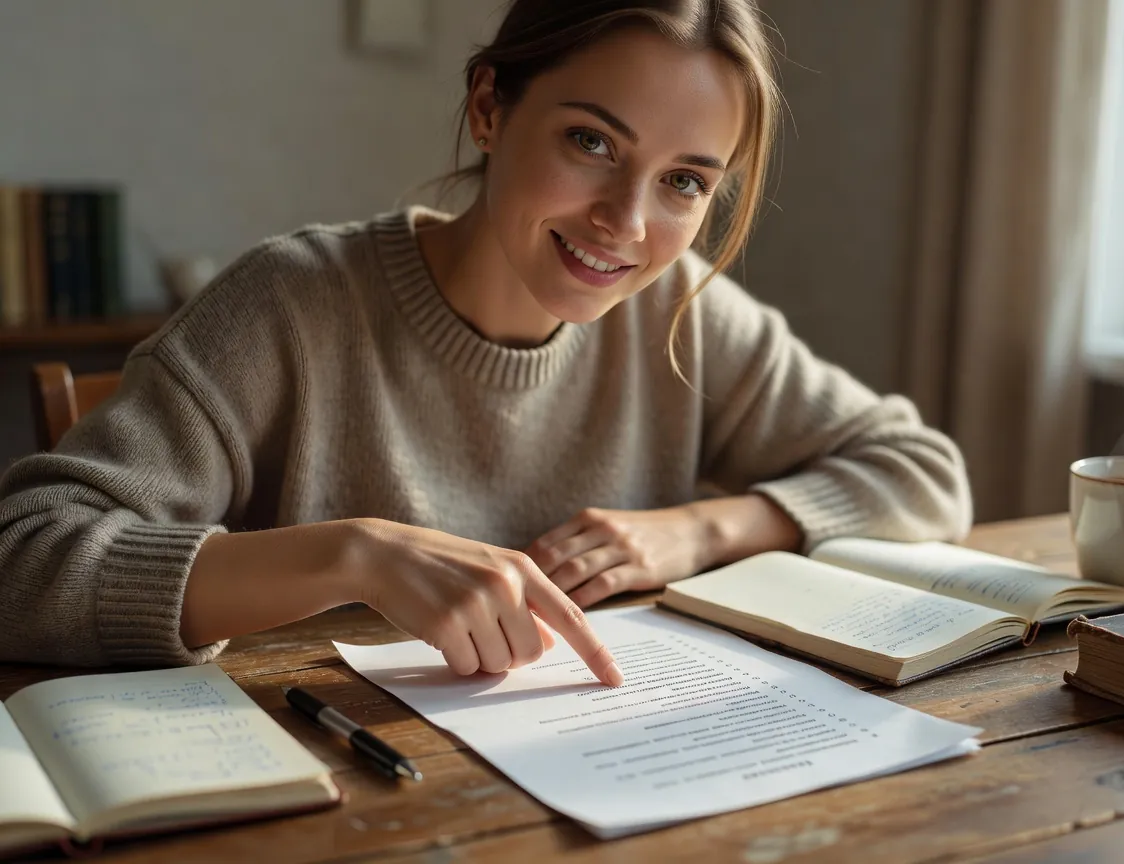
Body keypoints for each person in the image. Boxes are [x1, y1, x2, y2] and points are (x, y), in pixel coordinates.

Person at [0, 0, 971, 687]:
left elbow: (924, 473)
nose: (627, 223)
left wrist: (701, 530)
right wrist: (352, 555)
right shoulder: (290, 305)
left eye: (684, 181)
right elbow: (23, 557)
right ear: (488, 108)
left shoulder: (680, 312)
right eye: (592, 142)